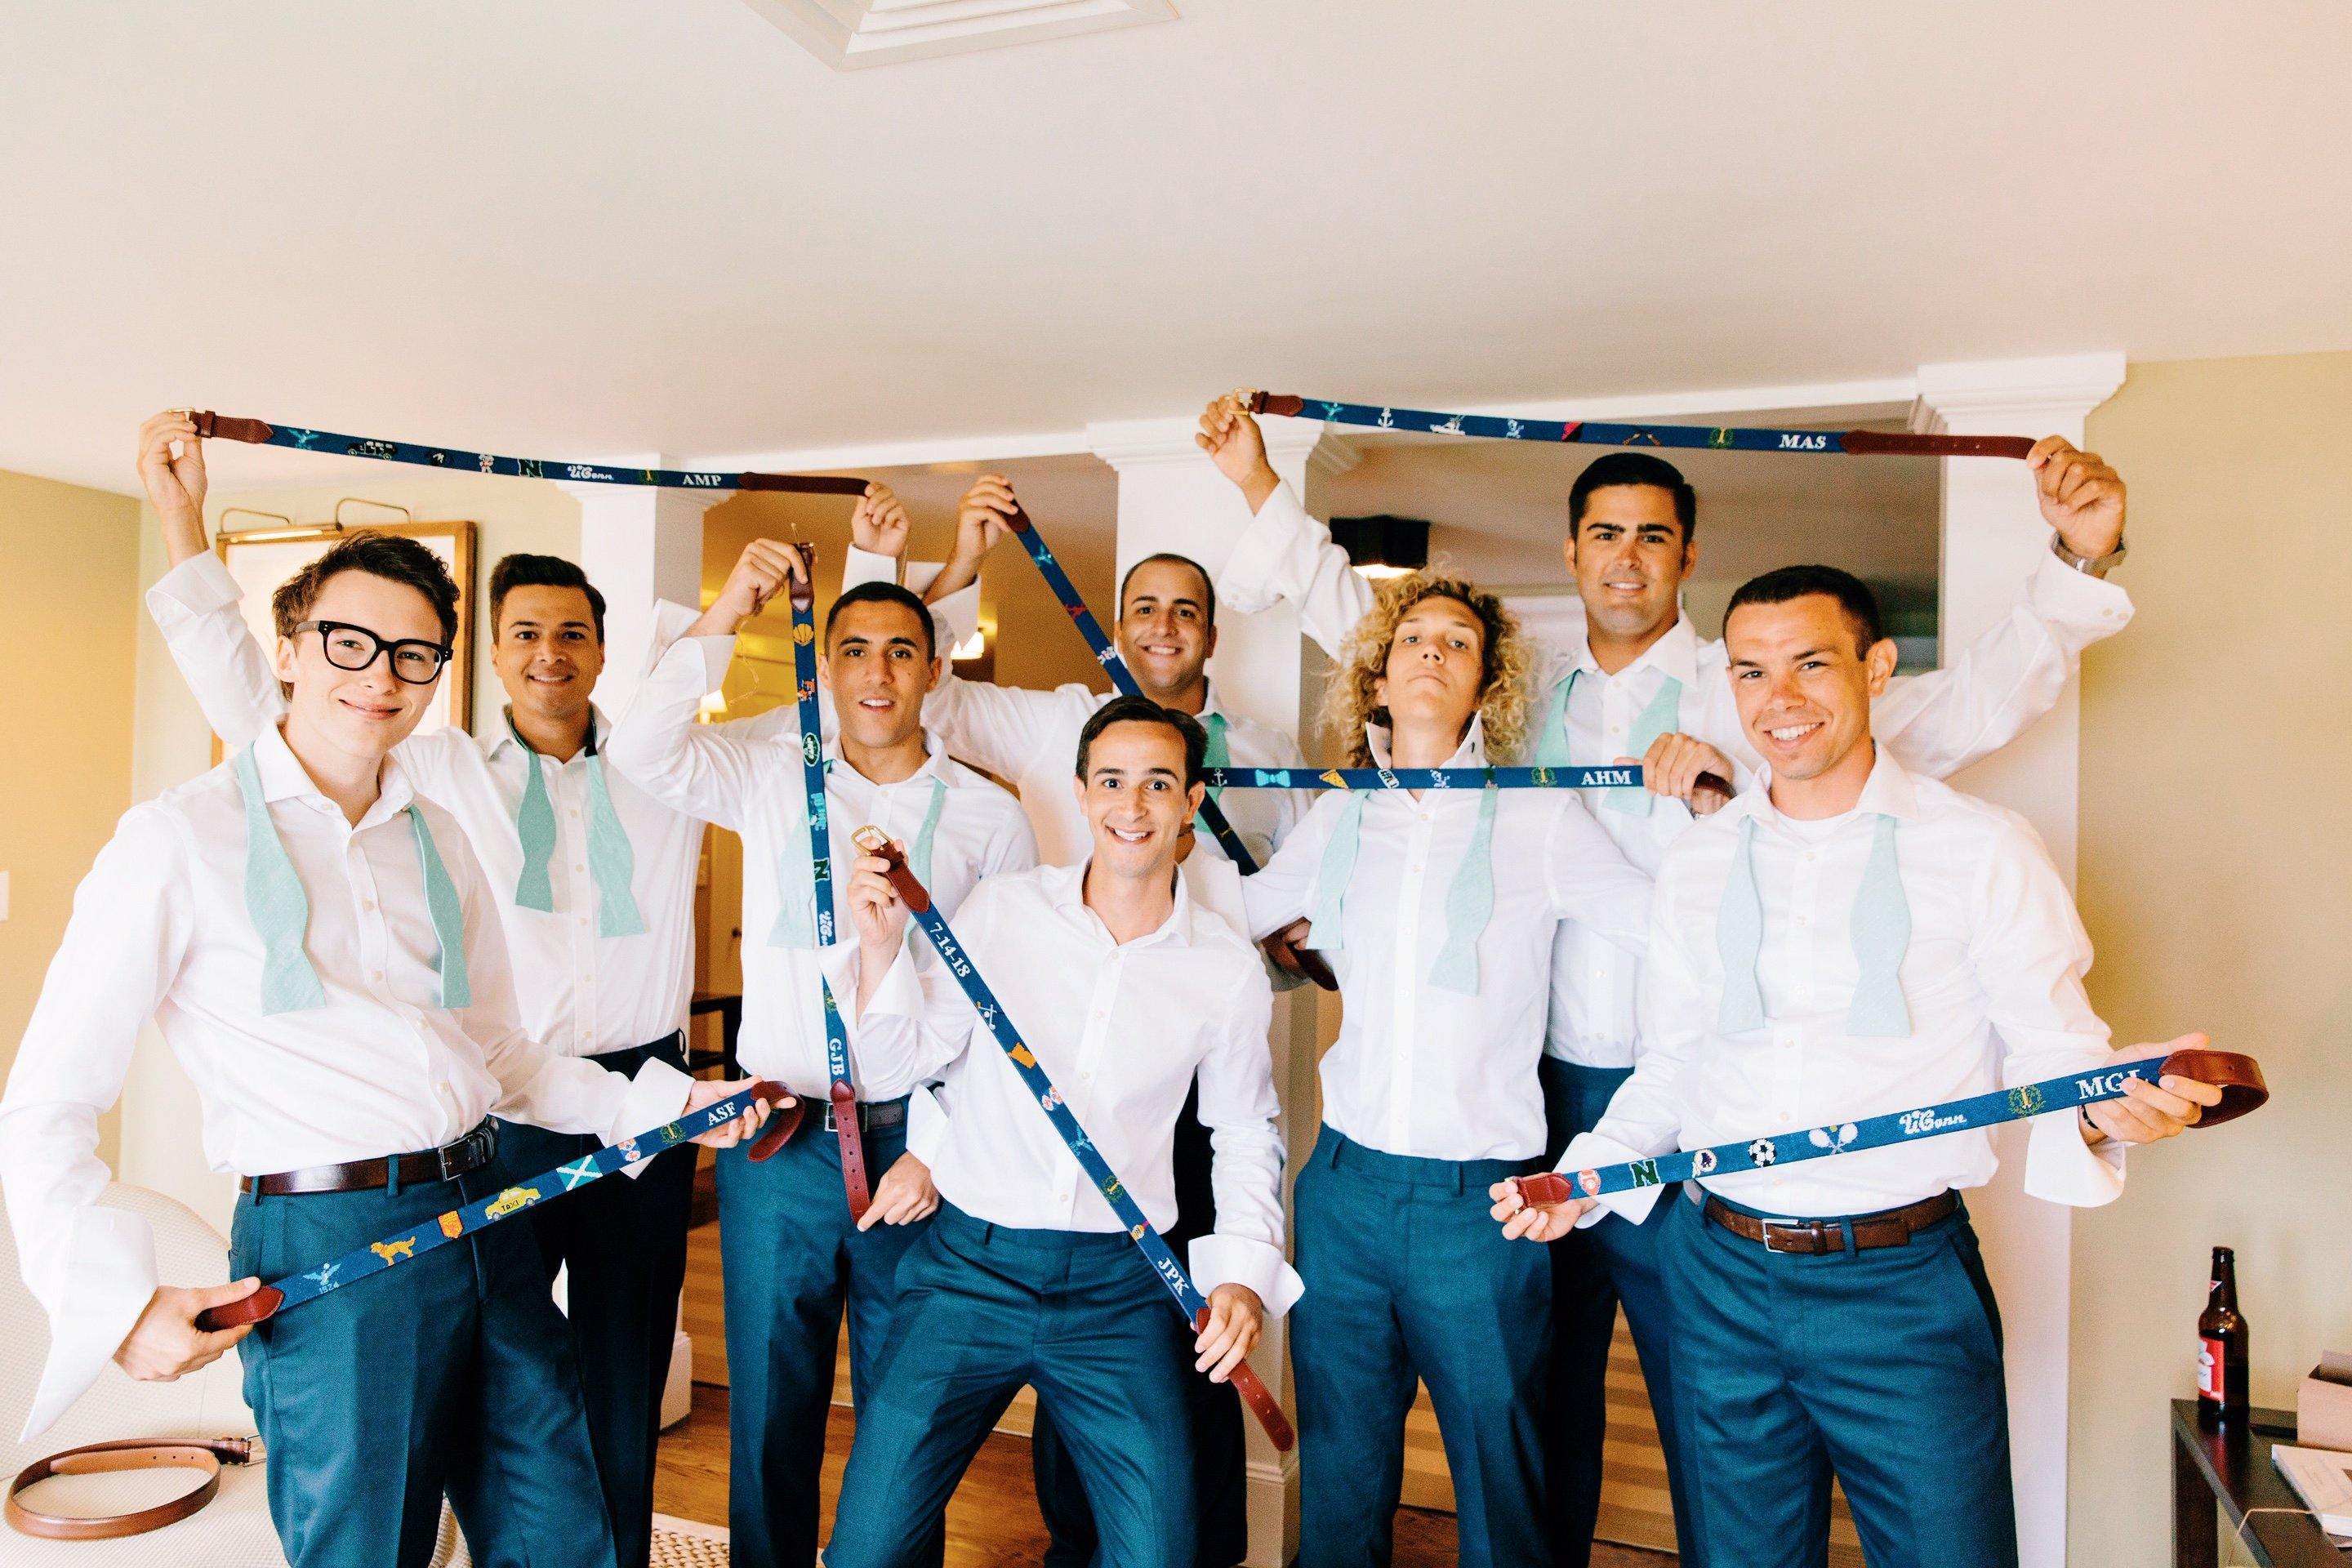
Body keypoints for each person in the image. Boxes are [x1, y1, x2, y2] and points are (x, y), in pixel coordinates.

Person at [1196, 393, 2137, 1566]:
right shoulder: (1521, 695)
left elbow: (1962, 712)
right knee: (1536, 1401)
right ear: (1571, 553)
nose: (1627, 558)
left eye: (1653, 536)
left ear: (1688, 555)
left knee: (1711, 1407)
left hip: (1685, 1101)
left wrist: (2073, 567)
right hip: (1527, 1102)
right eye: (1605, 534)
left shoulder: (1747, 693)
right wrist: (1258, 486)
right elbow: (1384, 636)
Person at [0, 521, 766, 1568]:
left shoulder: (438, 837)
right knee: (370, 1549)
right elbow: (49, 1096)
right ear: (288, 650)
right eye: (349, 642)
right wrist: (113, 1297)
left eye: (413, 654)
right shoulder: (177, 840)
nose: (381, 676)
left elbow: (498, 1054)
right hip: (336, 1245)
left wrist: (664, 1107)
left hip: (489, 1213)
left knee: (565, 1534)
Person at [1490, 564, 2217, 1568]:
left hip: (1903, 1293)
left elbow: (2059, 1056)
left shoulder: (1983, 850)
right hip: (1717, 1279)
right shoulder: (1698, 862)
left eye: (1811, 664)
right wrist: (1586, 1174)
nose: (1779, 699)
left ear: (1876, 668)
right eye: (1751, 673)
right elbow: (1676, 1064)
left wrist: (2101, 1111)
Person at [840, 477, 1305, 1566]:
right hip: (967, 1268)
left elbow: (1246, 1134)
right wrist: (878, 954)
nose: (1131, 806)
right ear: (1083, 793)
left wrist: (1241, 1271)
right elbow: (916, 1061)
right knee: (867, 1545)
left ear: (1191, 803)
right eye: (1111, 783)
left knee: (1161, 1552)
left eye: (1157, 785)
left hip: (1120, 1287)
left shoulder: (1223, 970)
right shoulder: (1002, 913)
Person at [604, 528, 1036, 1568]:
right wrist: (728, 612)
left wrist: (939, 1149)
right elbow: (642, 749)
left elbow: (1000, 1012)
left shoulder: (990, 818)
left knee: (905, 1419)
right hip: (780, 1143)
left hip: (916, 1155)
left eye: (901, 651)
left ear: (934, 668)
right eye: (855, 651)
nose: (878, 673)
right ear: (828, 669)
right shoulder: (766, 773)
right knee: (768, 1408)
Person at [1237, 569, 1651, 1568]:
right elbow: (1227, 923)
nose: (1433, 650)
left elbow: (1675, 935)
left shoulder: (1541, 819)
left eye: (1458, 642)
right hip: (1343, 1194)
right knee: (1342, 1480)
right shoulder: (1337, 818)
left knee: (1502, 1484)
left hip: (1482, 1210)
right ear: (1378, 679)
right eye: (1413, 636)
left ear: (1486, 687)